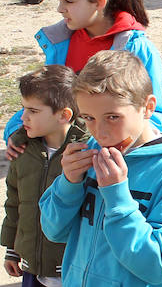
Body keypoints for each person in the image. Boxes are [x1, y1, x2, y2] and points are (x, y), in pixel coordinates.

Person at [39, 50, 162, 287]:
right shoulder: (90, 153)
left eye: (113, 117)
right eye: (89, 118)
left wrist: (118, 198)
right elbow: (53, 231)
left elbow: (158, 266)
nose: (100, 133)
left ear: (148, 107)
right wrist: (68, 184)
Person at [4, 0, 162, 159]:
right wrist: (16, 129)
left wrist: (118, 147)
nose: (60, 8)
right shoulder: (59, 45)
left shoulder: (138, 49)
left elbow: (157, 115)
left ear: (99, 2)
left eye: (69, 0)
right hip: (66, 160)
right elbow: (45, 98)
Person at [2, 66, 88, 287]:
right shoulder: (22, 151)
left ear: (64, 115)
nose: (23, 117)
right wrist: (13, 249)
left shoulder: (85, 153)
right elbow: (15, 203)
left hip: (73, 269)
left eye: (33, 110)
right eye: (23, 108)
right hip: (33, 268)